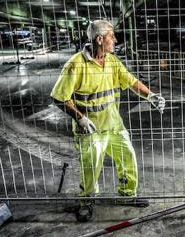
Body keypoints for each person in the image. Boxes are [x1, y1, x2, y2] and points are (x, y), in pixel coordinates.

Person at [50, 19, 165, 222]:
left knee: (127, 158)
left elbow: (130, 81)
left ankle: (127, 195)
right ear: (99, 39)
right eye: (112, 36)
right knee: (90, 167)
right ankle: (86, 202)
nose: (115, 40)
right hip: (90, 130)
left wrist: (151, 96)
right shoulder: (76, 64)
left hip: (114, 125)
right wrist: (81, 118)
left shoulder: (111, 61)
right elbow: (59, 97)